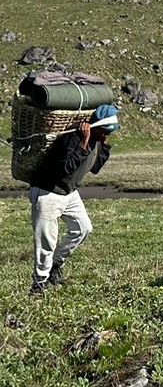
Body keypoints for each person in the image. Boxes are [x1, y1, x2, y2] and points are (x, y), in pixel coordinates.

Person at [28, 104, 120, 294]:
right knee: (46, 241)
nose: (107, 135)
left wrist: (101, 144)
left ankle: (54, 265)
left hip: (68, 192)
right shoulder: (71, 138)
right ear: (96, 127)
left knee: (83, 228)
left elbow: (95, 168)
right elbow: (65, 168)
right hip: (48, 192)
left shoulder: (97, 141)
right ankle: (38, 285)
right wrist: (84, 143)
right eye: (105, 132)